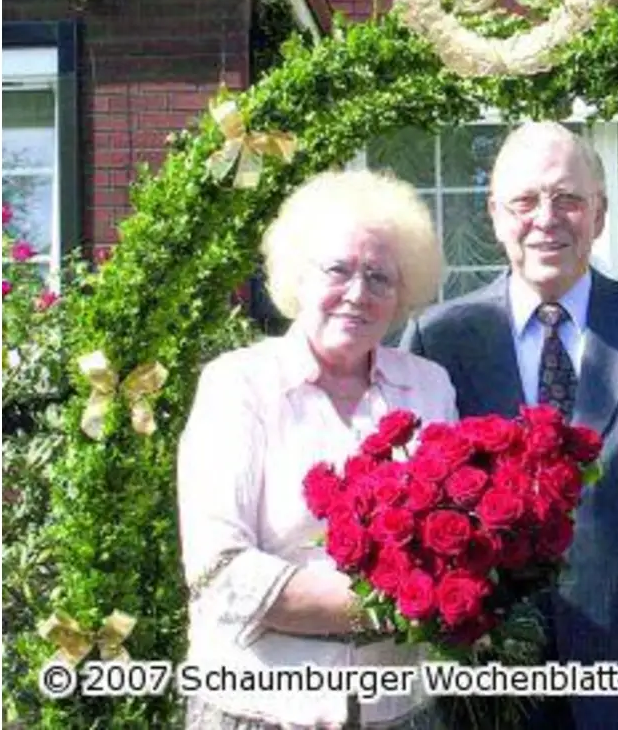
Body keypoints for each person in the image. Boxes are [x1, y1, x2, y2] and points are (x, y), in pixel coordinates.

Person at [400, 122, 618, 730]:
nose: (546, 219)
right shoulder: (440, 339)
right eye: (525, 201)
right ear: (495, 215)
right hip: (489, 667)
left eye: (569, 199)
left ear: (600, 213)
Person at [179, 169, 456, 729]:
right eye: (338, 270)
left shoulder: (429, 385)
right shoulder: (238, 384)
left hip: (398, 710)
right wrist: (396, 604)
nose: (358, 293)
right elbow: (219, 569)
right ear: (298, 278)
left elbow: (453, 533)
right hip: (258, 709)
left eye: (380, 277)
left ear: (403, 293)